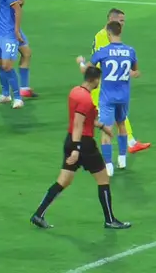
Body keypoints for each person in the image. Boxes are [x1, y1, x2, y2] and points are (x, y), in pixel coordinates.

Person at [30, 66, 131, 230]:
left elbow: (83, 119)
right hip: (84, 144)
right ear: (95, 80)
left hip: (70, 140)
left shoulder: (75, 92)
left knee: (63, 181)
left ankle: (38, 214)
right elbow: (78, 124)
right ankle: (110, 220)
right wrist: (77, 149)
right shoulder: (86, 99)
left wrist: (101, 127)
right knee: (103, 179)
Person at [92, 9, 150, 176]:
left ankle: (110, 163)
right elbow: (110, 64)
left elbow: (97, 62)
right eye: (121, 21)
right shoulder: (108, 39)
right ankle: (125, 152)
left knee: (111, 125)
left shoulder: (106, 43)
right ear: (112, 20)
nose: (123, 24)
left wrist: (82, 64)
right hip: (105, 86)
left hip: (108, 88)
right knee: (117, 123)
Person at [78, 21, 139, 172]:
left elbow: (87, 71)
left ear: (108, 34)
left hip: (107, 98)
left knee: (106, 129)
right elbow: (135, 71)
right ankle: (122, 159)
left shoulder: (103, 52)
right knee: (122, 124)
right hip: (123, 97)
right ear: (120, 32)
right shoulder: (130, 51)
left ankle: (109, 166)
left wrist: (81, 63)